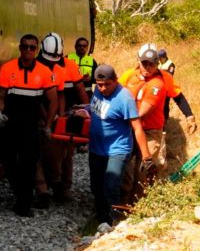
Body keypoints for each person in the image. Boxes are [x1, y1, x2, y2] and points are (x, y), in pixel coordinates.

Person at [0, 34, 58, 216]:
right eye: (25, 47)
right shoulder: (8, 68)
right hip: (10, 124)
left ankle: (24, 204)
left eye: (32, 47)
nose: (28, 50)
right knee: (8, 162)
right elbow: (1, 95)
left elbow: (53, 101)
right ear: (20, 48)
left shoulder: (44, 72)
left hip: (30, 126)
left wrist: (47, 125)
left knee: (28, 164)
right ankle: (21, 196)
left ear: (36, 50)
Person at [88, 64, 151, 226]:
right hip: (97, 147)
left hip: (118, 149)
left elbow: (137, 127)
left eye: (107, 84)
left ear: (115, 80)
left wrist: (147, 157)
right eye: (99, 85)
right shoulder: (98, 91)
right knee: (96, 185)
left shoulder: (124, 98)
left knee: (111, 185)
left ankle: (111, 221)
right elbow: (97, 109)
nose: (103, 88)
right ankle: (99, 216)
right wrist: (85, 109)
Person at [34, 33, 89, 205]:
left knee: (66, 154)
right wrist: (48, 120)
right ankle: (46, 189)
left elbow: (66, 94)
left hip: (63, 116)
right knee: (44, 154)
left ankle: (62, 188)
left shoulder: (66, 67)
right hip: (43, 116)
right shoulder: (37, 67)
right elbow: (38, 99)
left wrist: (86, 113)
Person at [118, 47, 166, 204]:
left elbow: (141, 113)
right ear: (139, 62)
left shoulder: (157, 84)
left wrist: (117, 117)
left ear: (157, 65)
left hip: (149, 132)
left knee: (144, 171)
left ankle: (139, 206)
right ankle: (121, 204)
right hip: (130, 128)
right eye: (144, 64)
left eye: (151, 64)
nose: (147, 67)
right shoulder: (131, 76)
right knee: (122, 166)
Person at [158, 48, 176, 120]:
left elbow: (170, 75)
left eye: (161, 58)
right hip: (159, 86)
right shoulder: (159, 63)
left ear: (164, 57)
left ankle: (165, 119)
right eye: (159, 58)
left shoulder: (171, 64)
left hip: (167, 87)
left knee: (165, 104)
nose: (160, 59)